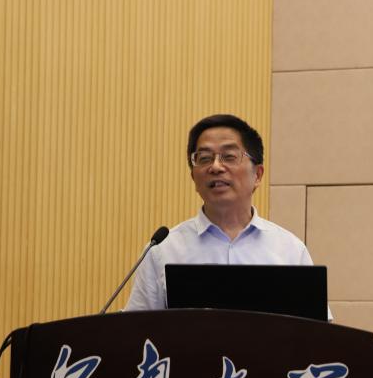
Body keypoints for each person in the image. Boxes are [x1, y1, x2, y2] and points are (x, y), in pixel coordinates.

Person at [124, 114, 314, 311]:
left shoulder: (290, 250)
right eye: (204, 158)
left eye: (229, 156)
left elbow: (316, 327)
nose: (215, 167)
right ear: (193, 177)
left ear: (257, 175)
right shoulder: (163, 251)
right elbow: (137, 327)